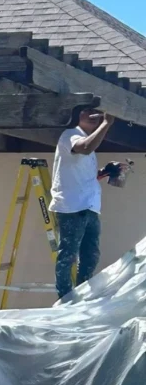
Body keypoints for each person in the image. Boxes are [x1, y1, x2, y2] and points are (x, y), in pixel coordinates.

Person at [49, 107, 115, 299]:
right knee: (68, 254)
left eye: (98, 111)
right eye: (89, 111)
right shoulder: (70, 135)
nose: (95, 115)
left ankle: (83, 294)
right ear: (78, 115)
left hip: (90, 206)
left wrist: (107, 171)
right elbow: (85, 148)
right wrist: (106, 123)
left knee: (90, 255)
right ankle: (65, 297)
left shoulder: (88, 141)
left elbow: (84, 175)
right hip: (72, 206)